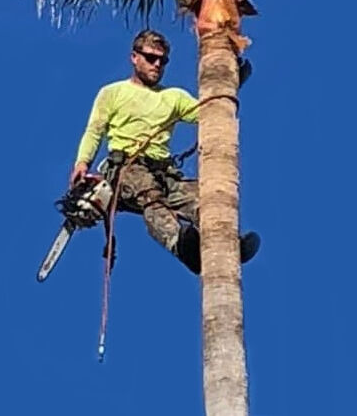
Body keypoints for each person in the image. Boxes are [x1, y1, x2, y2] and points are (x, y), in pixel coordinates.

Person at [71, 29, 260, 274]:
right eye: (151, 58)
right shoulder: (112, 93)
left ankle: (228, 242)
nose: (157, 64)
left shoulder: (174, 97)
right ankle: (181, 245)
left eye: (162, 60)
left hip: (164, 171)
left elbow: (208, 112)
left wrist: (229, 81)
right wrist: (82, 163)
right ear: (134, 57)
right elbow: (95, 130)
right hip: (128, 167)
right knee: (151, 198)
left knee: (203, 199)